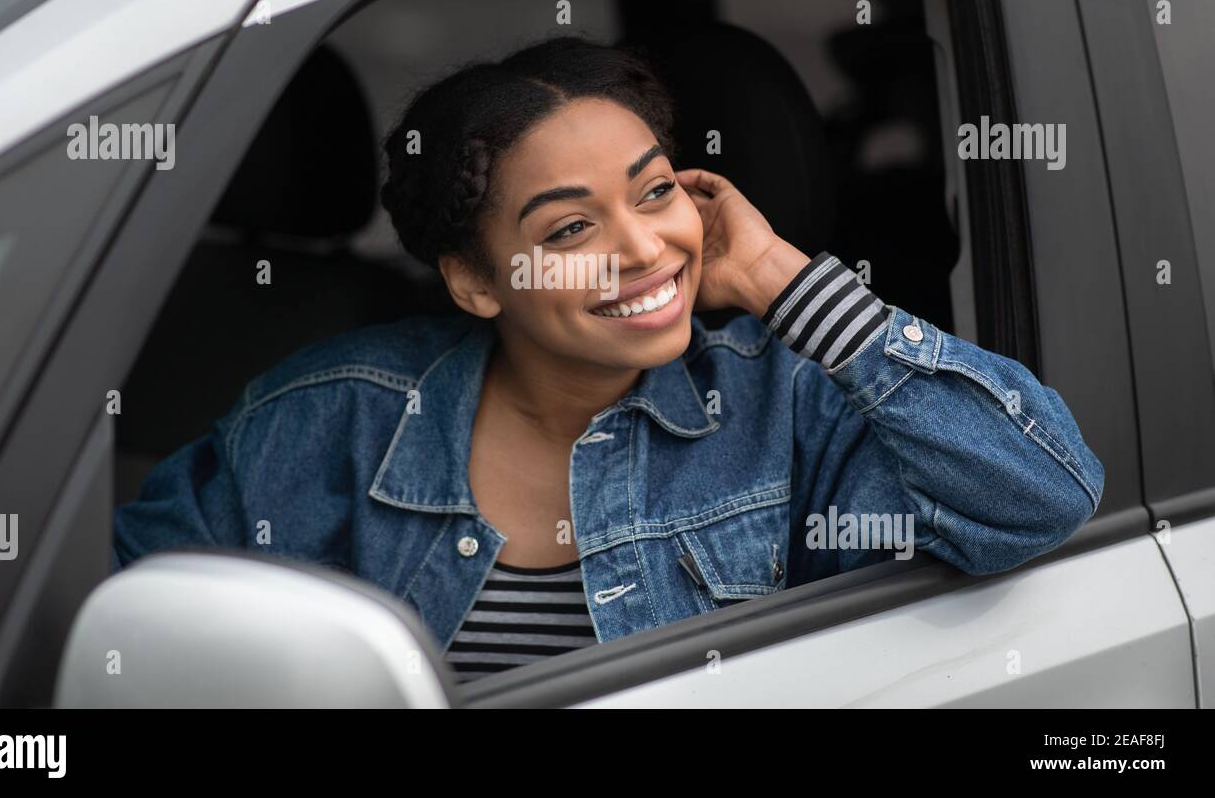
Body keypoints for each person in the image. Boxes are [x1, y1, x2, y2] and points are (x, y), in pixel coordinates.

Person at [112, 36, 1104, 683]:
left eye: (658, 191)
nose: (641, 247)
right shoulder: (327, 416)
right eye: (573, 223)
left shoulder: (783, 402)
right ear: (474, 280)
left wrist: (779, 279)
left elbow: (1042, 493)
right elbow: (125, 641)